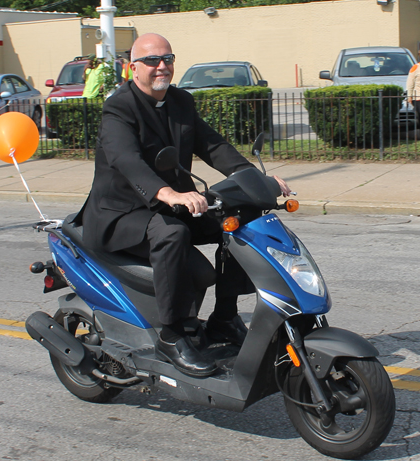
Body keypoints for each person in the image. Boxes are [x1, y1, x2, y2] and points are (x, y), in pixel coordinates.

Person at [76, 33, 291, 377]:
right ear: (133, 68)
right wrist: (169, 193)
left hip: (170, 205)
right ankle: (172, 334)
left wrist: (256, 180)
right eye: (152, 60)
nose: (162, 66)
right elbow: (127, 160)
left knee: (238, 215)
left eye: (168, 58)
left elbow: (213, 146)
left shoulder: (180, 101)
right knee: (171, 233)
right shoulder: (119, 107)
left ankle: (223, 318)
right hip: (122, 214)